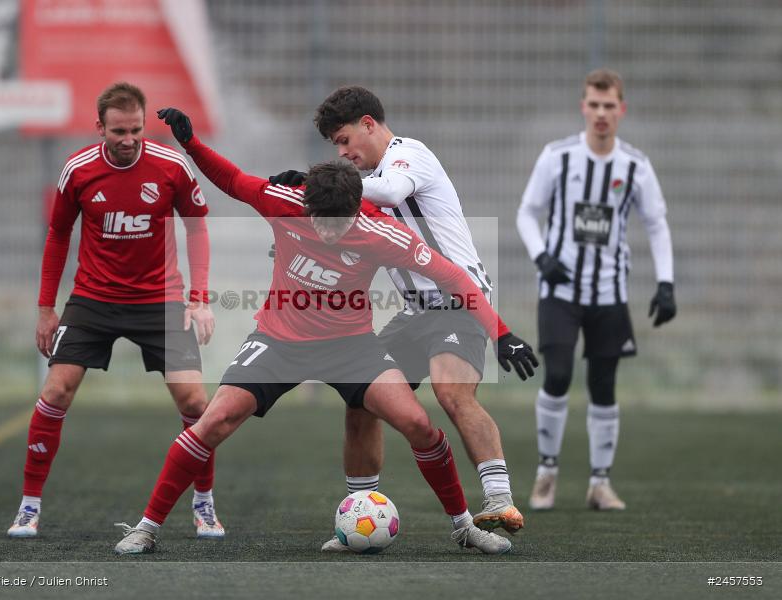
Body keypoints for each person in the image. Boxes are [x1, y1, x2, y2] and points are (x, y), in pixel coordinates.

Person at [112, 107, 538, 556]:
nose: (327, 232)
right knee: (213, 421)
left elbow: (455, 279)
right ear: (306, 205)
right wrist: (191, 143)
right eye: (320, 221)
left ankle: (464, 527)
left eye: (339, 224)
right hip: (278, 341)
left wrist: (501, 332)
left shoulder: (384, 232)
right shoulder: (284, 201)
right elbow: (233, 179)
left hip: (351, 346)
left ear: (357, 209)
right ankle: (146, 527)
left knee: (417, 422)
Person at [270, 85, 527, 550]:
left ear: (369, 123)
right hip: (413, 313)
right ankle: (358, 516)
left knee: (452, 393)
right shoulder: (361, 187)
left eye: (346, 140)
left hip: (457, 300)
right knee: (361, 401)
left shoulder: (410, 156)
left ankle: (498, 500)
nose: (344, 153)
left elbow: (390, 191)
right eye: (336, 149)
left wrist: (320, 180)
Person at [7, 82, 224, 540]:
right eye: (119, 131)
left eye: (137, 130)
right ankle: (28, 507)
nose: (128, 140)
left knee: (196, 403)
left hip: (161, 299)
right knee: (56, 392)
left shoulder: (171, 166)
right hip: (94, 299)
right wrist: (46, 309)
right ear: (100, 127)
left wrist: (199, 298)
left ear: (145, 125)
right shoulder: (78, 170)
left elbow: (198, 226)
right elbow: (58, 236)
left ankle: (204, 504)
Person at [515, 68, 676, 511]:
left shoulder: (635, 166)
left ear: (621, 110)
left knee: (604, 386)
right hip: (560, 290)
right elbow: (527, 212)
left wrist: (666, 283)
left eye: (610, 106)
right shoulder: (557, 156)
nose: (602, 113)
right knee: (559, 374)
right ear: (583, 106)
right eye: (594, 104)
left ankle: (599, 484)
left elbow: (657, 224)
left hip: (609, 292)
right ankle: (547, 473)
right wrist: (542, 257)